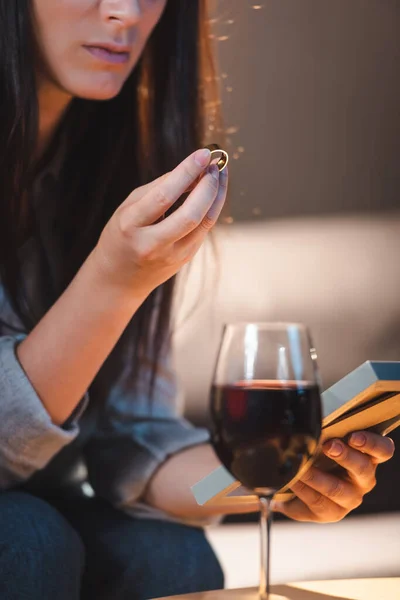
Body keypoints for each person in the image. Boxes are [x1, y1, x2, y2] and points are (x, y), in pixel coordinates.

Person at [0, 1, 395, 599]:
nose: (125, 12)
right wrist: (113, 282)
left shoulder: (120, 163)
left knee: (167, 556)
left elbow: (132, 438)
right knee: (30, 539)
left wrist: (280, 481)